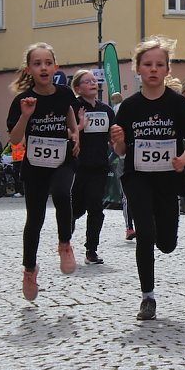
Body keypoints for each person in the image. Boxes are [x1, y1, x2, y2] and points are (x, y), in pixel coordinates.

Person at [109, 35, 185, 321]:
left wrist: (182, 160)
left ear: (167, 70)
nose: (153, 69)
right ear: (137, 69)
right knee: (145, 235)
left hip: (167, 179)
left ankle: (165, 240)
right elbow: (122, 150)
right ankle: (147, 297)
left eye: (159, 64)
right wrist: (119, 142)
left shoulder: (176, 103)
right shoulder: (130, 106)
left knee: (167, 243)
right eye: (147, 64)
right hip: (137, 177)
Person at [7, 42, 80, 301]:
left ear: (55, 67)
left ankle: (65, 244)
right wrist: (26, 116)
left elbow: (68, 112)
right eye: (37, 64)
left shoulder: (64, 94)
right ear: (29, 70)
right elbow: (15, 140)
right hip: (35, 165)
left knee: (62, 193)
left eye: (48, 63)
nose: (43, 67)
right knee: (34, 220)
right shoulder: (22, 101)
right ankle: (29, 270)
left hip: (63, 157)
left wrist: (75, 132)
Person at [70, 68, 115, 265]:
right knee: (75, 209)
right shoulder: (73, 107)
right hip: (77, 167)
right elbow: (66, 134)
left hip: (99, 165)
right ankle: (65, 241)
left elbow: (113, 136)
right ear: (78, 88)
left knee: (96, 207)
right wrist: (79, 126)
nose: (92, 83)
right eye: (87, 81)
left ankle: (91, 249)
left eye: (94, 80)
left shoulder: (106, 110)